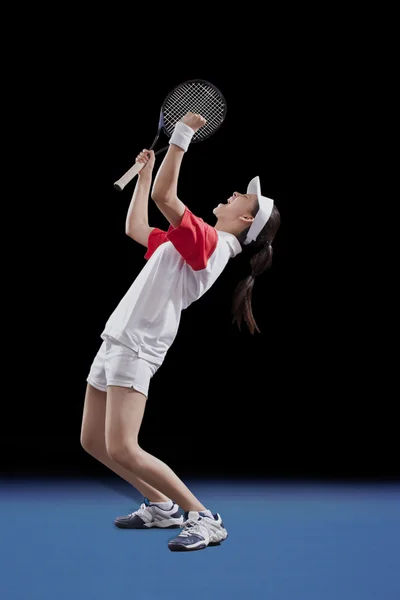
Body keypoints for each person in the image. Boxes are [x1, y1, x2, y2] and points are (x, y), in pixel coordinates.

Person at [80, 112, 281, 552]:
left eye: (241, 199)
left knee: (124, 448)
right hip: (118, 337)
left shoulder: (209, 244)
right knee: (93, 441)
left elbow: (166, 195)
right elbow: (135, 228)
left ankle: (204, 517)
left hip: (138, 345)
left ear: (247, 221)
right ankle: (159, 505)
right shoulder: (193, 240)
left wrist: (183, 135)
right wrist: (145, 173)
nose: (232, 195)